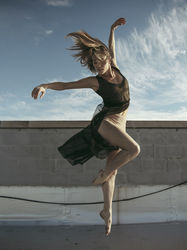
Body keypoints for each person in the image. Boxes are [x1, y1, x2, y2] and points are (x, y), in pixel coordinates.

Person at [31, 17, 140, 236]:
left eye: (100, 62)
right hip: (106, 124)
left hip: (118, 127)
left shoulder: (117, 69)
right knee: (134, 150)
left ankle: (106, 212)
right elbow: (66, 85)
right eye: (95, 65)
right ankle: (103, 173)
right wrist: (45, 85)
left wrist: (112, 29)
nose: (98, 67)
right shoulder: (96, 82)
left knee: (113, 172)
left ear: (107, 58)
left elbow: (112, 47)